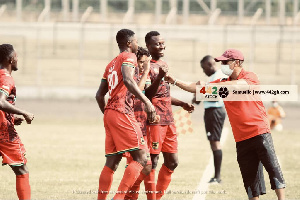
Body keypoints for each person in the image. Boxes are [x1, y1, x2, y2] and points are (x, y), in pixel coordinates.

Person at [165, 49, 285, 200]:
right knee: (250, 177)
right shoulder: (222, 84)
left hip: (259, 132)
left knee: (273, 168)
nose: (222, 65)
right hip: (241, 138)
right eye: (221, 62)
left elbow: (238, 86)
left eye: (225, 62)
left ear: (237, 63)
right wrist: (174, 81)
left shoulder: (250, 77)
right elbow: (195, 88)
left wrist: (210, 87)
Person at [95, 29, 160, 200]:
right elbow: (128, 80)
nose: (138, 45)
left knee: (112, 162)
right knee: (143, 158)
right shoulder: (129, 57)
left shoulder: (110, 64)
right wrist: (146, 102)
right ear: (129, 43)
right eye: (136, 41)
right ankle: (119, 198)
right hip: (122, 111)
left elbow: (99, 95)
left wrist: (108, 114)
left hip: (109, 112)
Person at [144, 31, 195, 200]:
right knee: (152, 162)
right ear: (148, 46)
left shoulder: (163, 64)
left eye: (163, 43)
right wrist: (159, 76)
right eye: (157, 44)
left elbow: (163, 94)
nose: (161, 46)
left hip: (169, 120)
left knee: (173, 162)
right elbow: (147, 94)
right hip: (155, 120)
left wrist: (181, 103)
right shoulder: (145, 66)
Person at [0, 44, 34, 200]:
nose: (17, 60)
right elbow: (0, 102)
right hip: (4, 132)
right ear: (10, 59)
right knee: (21, 169)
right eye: (17, 58)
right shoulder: (6, 78)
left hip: (4, 124)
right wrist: (24, 112)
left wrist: (12, 117)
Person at [123, 47, 154, 200]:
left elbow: (148, 95)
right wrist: (146, 70)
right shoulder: (131, 74)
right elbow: (138, 91)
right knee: (145, 165)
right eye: (141, 62)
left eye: (146, 63)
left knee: (144, 166)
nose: (143, 65)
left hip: (142, 125)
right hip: (130, 124)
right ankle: (123, 196)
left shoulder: (143, 75)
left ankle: (126, 196)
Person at [197, 55, 227, 184]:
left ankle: (217, 177)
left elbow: (215, 96)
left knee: (215, 143)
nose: (204, 71)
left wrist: (200, 91)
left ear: (210, 65)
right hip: (211, 111)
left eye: (204, 68)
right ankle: (216, 176)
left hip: (215, 111)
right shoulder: (213, 77)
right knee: (213, 142)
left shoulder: (218, 76)